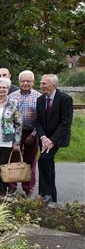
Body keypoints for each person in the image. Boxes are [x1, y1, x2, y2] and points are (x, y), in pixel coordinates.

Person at [35, 74, 73, 204]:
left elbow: (66, 122)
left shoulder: (65, 99)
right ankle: (51, 197)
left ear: (54, 85)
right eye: (41, 83)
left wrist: (52, 140)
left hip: (57, 138)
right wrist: (43, 137)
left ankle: (45, 193)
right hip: (44, 138)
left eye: (44, 83)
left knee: (44, 160)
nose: (41, 85)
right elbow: (38, 122)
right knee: (48, 164)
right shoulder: (40, 100)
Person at [8, 70, 42, 196]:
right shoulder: (12, 96)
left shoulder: (38, 97)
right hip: (15, 132)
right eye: (23, 81)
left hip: (31, 132)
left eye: (28, 81)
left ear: (33, 82)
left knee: (30, 161)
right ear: (19, 82)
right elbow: (8, 117)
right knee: (13, 159)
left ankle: (28, 188)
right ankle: (12, 186)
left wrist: (33, 135)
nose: (25, 83)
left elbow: (40, 119)